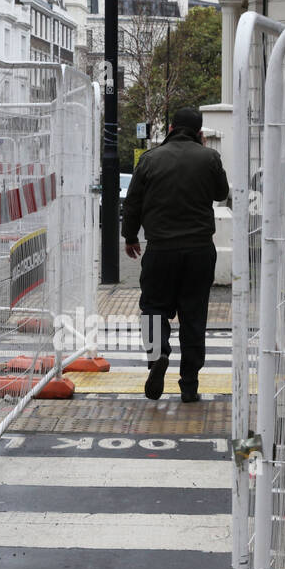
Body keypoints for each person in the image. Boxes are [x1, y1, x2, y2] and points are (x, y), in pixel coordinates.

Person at [121, 107, 229, 403]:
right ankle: (190, 384)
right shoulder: (209, 157)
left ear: (170, 127)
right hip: (199, 250)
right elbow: (221, 193)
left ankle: (157, 357)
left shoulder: (149, 159)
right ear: (200, 132)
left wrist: (130, 236)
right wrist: (206, 153)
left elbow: (132, 204)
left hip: (160, 250)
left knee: (153, 308)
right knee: (194, 315)